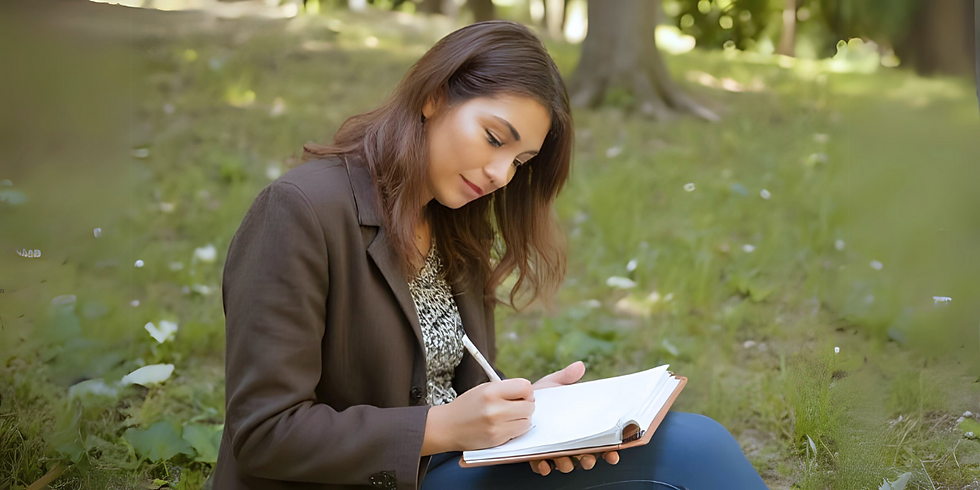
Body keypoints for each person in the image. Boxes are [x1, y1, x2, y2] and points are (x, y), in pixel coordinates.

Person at [211, 20, 770, 490]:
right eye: (495, 139)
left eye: (520, 161)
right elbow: (264, 433)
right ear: (434, 96)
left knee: (680, 446)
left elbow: (451, 388)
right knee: (694, 451)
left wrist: (532, 419)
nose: (502, 175)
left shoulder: (455, 222)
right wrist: (442, 429)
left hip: (450, 468)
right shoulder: (299, 211)